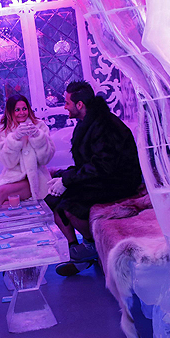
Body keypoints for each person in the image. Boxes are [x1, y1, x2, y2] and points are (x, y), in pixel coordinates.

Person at [45, 81, 142, 276]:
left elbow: (104, 165)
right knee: (52, 200)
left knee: (69, 206)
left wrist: (68, 180)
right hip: (102, 176)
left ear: (80, 105)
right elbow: (89, 163)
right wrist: (65, 175)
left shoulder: (105, 125)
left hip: (119, 181)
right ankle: (78, 252)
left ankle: (91, 249)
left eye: (67, 103)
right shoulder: (88, 122)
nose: (64, 107)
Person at [0, 94, 55, 264]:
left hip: (36, 179)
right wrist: (15, 139)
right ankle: (11, 250)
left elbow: (46, 159)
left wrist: (38, 137)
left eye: (24, 108)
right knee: (2, 204)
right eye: (17, 109)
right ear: (11, 111)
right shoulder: (4, 131)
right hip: (14, 176)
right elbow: (8, 162)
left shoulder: (40, 125)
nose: (21, 112)